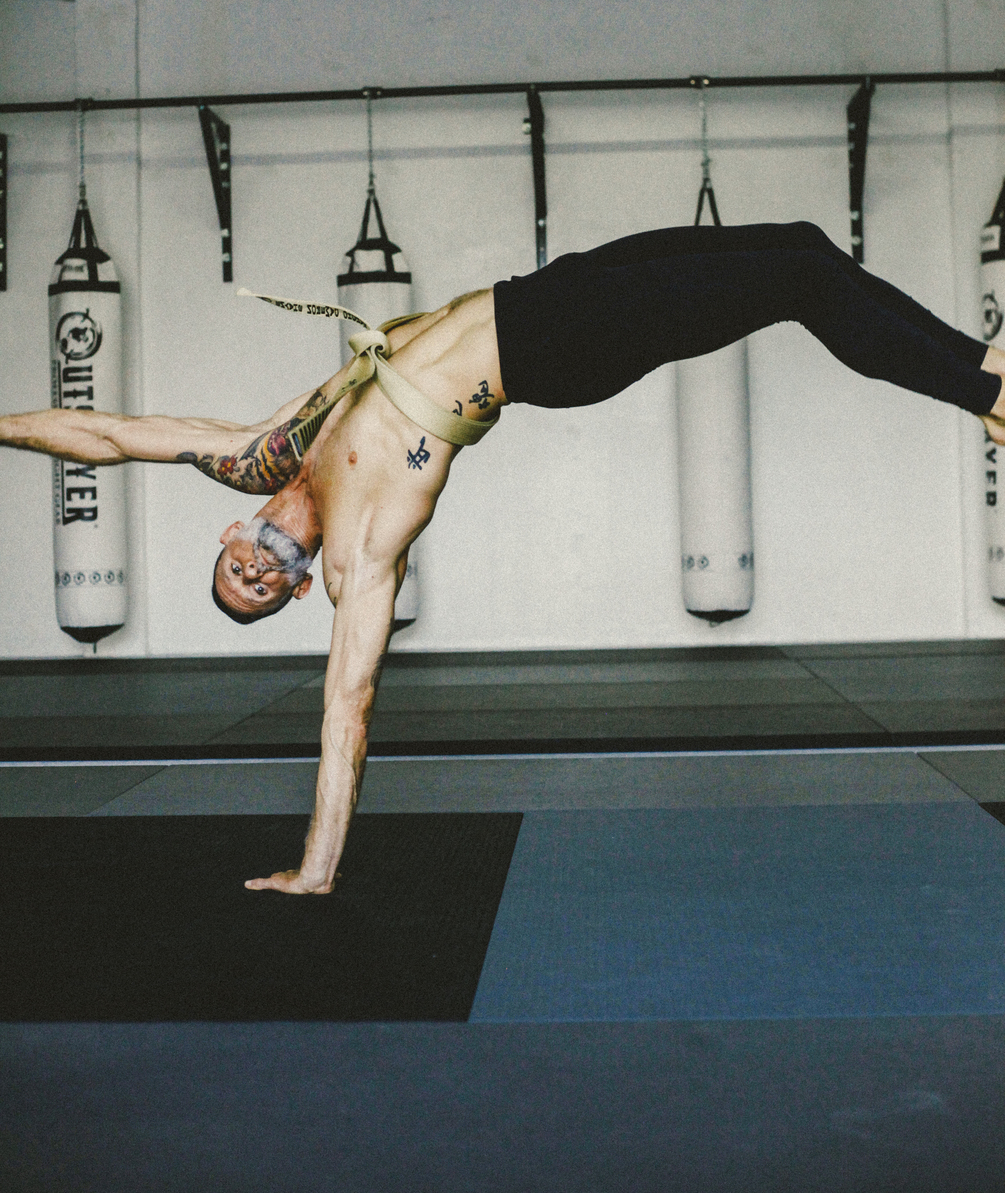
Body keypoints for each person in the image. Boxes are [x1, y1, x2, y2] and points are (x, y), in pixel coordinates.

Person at [4, 222, 1005, 895]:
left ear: (228, 536)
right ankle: (987, 397)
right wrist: (317, 865)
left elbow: (106, 434)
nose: (257, 575)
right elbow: (347, 708)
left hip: (533, 296)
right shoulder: (358, 556)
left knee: (801, 247)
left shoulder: (259, 450)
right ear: (300, 588)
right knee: (796, 282)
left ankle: (983, 371)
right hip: (551, 349)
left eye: (238, 574)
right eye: (265, 593)